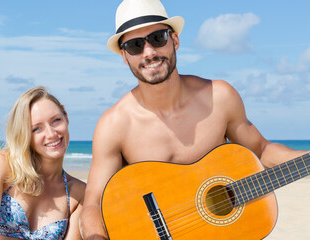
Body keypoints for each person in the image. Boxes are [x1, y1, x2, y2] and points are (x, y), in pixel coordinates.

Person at [79, 0, 309, 239]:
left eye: (157, 38)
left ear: (175, 40)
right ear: (125, 57)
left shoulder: (219, 98)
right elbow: (93, 204)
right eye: (135, 45)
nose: (149, 52)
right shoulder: (114, 125)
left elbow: (262, 151)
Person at [0, 87, 86, 240]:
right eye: (37, 128)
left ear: (66, 118)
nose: (51, 134)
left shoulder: (78, 193)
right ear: (25, 134)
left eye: (56, 120)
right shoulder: (2, 164)